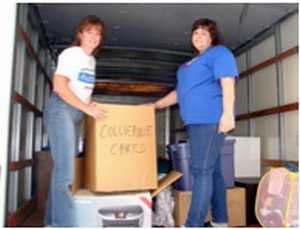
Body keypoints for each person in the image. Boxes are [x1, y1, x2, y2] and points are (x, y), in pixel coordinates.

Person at [151, 18, 238, 227]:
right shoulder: (186, 66)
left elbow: (227, 82)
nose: (199, 36)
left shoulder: (219, 53)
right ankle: (220, 221)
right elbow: (178, 94)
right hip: (195, 123)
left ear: (212, 37)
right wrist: (153, 106)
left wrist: (228, 114)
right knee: (214, 171)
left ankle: (193, 224)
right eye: (196, 33)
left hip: (209, 121)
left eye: (204, 33)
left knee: (200, 172)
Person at [43, 15, 107, 227]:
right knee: (65, 173)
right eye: (89, 32)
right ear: (80, 34)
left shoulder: (91, 60)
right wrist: (86, 107)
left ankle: (52, 222)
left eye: (97, 33)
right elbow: (60, 86)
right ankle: (64, 224)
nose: (93, 37)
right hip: (61, 109)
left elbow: (80, 89)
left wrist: (91, 103)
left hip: (75, 112)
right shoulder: (72, 53)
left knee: (61, 171)